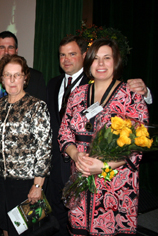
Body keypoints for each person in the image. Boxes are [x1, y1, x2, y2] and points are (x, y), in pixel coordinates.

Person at [46, 35, 152, 236]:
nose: (101, 64)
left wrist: (102, 166)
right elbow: (64, 132)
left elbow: (139, 144)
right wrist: (76, 155)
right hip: (80, 176)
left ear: (116, 61)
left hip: (116, 183)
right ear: (89, 62)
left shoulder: (131, 96)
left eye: (107, 58)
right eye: (96, 58)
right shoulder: (77, 94)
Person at [0, 30, 47, 236]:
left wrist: (38, 185)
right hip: (2, 180)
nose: (12, 80)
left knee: (27, 231)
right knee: (6, 227)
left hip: (26, 183)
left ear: (24, 78)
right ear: (2, 78)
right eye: (7, 75)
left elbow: (44, 149)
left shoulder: (36, 106)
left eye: (16, 75)